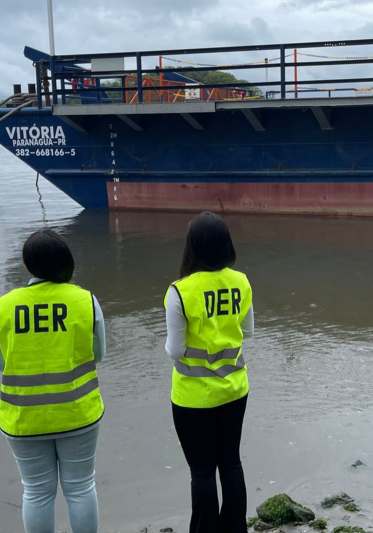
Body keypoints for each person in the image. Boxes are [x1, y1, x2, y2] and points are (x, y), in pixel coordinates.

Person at [0, 229, 106, 533]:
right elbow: (99, 354)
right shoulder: (86, 300)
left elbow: (0, 363)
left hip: (23, 418)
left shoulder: (2, 306)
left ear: (28, 265)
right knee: (80, 488)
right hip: (77, 411)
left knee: (36, 492)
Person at [164, 211, 254, 533]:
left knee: (202, 471)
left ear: (191, 248)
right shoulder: (241, 281)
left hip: (193, 397)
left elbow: (175, 350)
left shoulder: (180, 291)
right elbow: (249, 330)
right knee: (231, 463)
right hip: (234, 389)